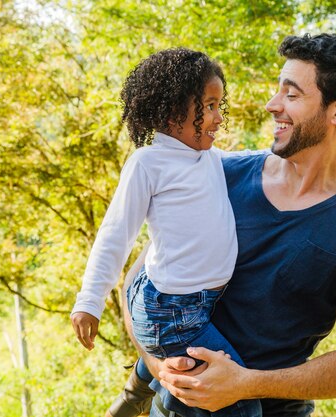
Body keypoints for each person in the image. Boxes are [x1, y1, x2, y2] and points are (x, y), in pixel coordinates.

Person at [125, 33, 336, 417]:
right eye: (278, 92)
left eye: (291, 94)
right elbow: (138, 281)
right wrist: (159, 367)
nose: (273, 105)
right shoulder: (217, 175)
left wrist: (248, 383)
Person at [70, 48, 262, 417]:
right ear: (174, 110)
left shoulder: (206, 156)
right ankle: (156, 398)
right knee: (240, 404)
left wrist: (285, 156)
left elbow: (247, 159)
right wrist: (90, 301)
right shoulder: (148, 163)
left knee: (175, 359)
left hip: (193, 301)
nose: (219, 117)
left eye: (220, 105)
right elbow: (115, 234)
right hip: (169, 311)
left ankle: (136, 389)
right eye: (209, 106)